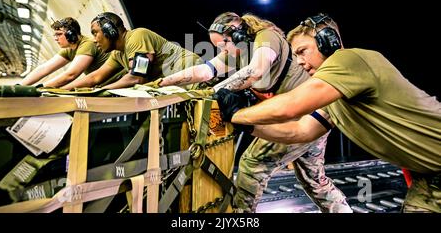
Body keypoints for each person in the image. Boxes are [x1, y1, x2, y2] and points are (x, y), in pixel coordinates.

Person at [215, 13, 441, 213]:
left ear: (328, 42)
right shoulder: (334, 96)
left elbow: (290, 106)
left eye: (303, 51)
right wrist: (243, 121)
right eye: (296, 55)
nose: (301, 62)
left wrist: (238, 112)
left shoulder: (349, 59)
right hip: (428, 177)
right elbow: (300, 131)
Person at [157, 11, 351, 213]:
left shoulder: (267, 37)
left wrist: (215, 93)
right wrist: (164, 83)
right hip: (312, 113)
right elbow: (206, 71)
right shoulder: (237, 52)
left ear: (239, 34)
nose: (222, 51)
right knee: (315, 181)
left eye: (224, 44)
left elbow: (256, 70)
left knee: (252, 165)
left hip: (303, 113)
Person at [62, 12, 202, 90]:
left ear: (109, 31)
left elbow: (137, 76)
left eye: (95, 33)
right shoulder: (117, 53)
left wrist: (102, 91)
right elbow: (95, 77)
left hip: (193, 78)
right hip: (179, 85)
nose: (94, 40)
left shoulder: (138, 36)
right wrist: (61, 91)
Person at [21, 17, 112, 88]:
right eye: (55, 35)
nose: (55, 38)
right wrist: (20, 86)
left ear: (71, 35)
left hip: (116, 85)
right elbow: (44, 68)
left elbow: (70, 75)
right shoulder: (70, 49)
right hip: (104, 85)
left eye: (59, 34)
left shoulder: (87, 45)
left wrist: (40, 87)